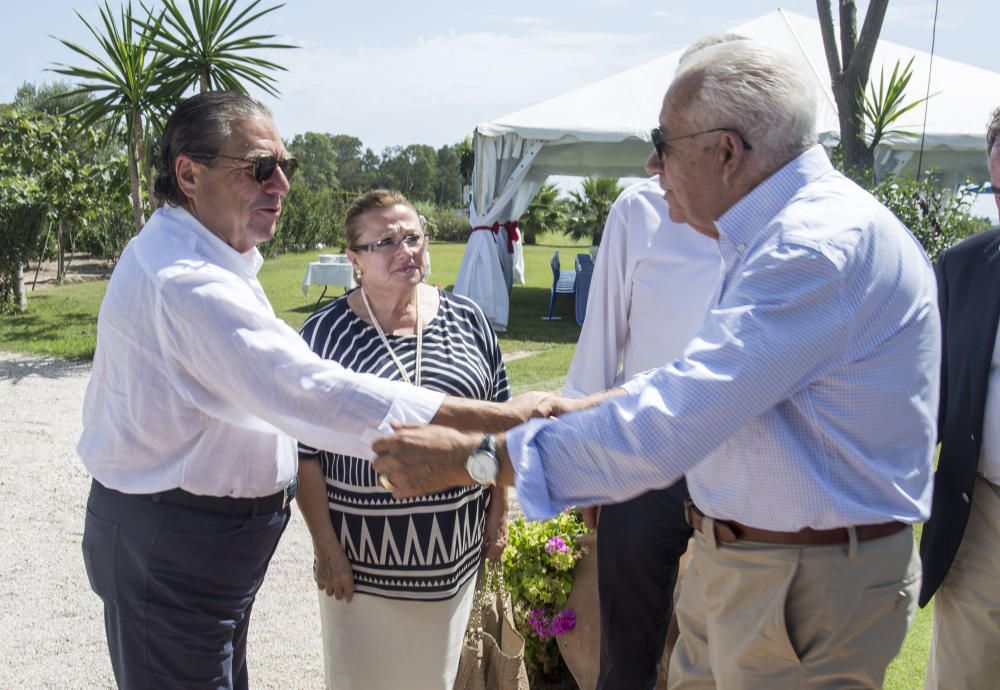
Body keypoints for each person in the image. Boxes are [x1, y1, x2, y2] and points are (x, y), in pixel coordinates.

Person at [372, 38, 940, 689]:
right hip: (759, 569)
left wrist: (469, 458)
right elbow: (704, 383)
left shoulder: (813, 247)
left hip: (799, 588)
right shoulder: (779, 233)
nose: (652, 162)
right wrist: (575, 407)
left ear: (726, 151)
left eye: (663, 141)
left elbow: (675, 420)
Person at [77, 91, 540, 690]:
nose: (282, 185)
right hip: (175, 548)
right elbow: (311, 393)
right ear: (189, 173)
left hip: (196, 548)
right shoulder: (184, 280)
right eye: (260, 168)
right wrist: (498, 420)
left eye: (285, 167)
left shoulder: (211, 256)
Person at [295, 190, 510, 690]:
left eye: (412, 237)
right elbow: (303, 453)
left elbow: (499, 423)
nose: (404, 250)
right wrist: (326, 547)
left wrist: (499, 511)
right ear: (354, 261)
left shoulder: (469, 321)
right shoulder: (323, 336)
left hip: (453, 563)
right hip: (361, 572)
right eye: (384, 242)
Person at [563, 176, 720, 689]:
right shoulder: (640, 208)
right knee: (626, 657)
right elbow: (602, 334)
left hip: (740, 461)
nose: (656, 158)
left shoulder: (772, 206)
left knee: (731, 646)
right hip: (643, 456)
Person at [919, 107, 1000, 689]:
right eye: (999, 191)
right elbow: (929, 404)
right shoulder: (963, 268)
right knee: (966, 676)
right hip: (983, 513)